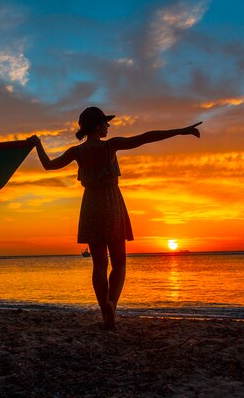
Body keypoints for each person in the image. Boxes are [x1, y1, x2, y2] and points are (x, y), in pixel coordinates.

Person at [29, 107, 201, 329]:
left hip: (90, 206)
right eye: (106, 123)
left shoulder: (76, 152)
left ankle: (104, 312)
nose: (109, 127)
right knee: (119, 264)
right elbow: (146, 137)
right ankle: (112, 303)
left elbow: (48, 165)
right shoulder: (110, 145)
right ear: (98, 125)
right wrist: (181, 131)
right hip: (112, 204)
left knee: (99, 264)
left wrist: (37, 144)